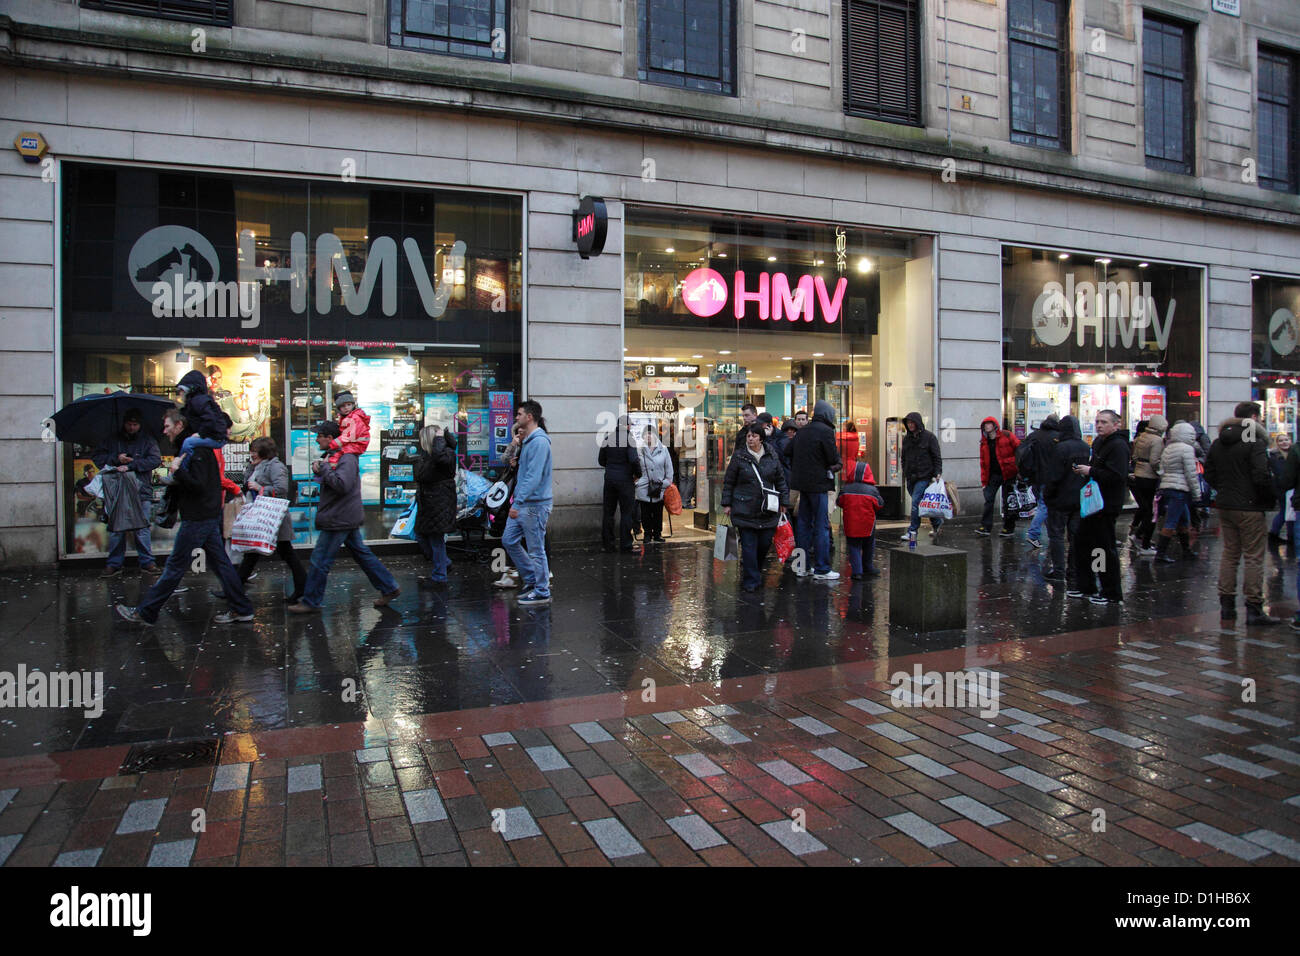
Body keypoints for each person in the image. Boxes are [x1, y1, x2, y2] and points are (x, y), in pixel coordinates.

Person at [115, 407, 254, 626]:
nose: (165, 430)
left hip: (198, 516)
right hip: (205, 515)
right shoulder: (195, 447)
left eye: (168, 425)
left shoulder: (195, 450)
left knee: (175, 566)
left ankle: (146, 612)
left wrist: (178, 471)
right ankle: (243, 608)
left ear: (180, 425)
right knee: (221, 565)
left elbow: (198, 485)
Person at [288, 421, 401, 614]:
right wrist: (321, 469)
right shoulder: (335, 455)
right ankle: (389, 587)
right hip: (342, 514)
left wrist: (323, 469)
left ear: (330, 438)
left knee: (320, 560)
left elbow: (342, 485)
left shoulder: (346, 457)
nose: (316, 439)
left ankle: (311, 601)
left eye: (319, 436)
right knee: (362, 555)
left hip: (338, 516)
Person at [1205, 403, 1279, 625]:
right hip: (1250, 507)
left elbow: (1208, 472)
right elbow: (1261, 476)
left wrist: (1225, 490)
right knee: (1254, 556)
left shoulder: (1219, 442)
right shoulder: (1254, 442)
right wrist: (1267, 497)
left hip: (1226, 505)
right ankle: (1254, 607)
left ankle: (1227, 605)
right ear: (1254, 417)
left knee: (1230, 554)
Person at [211, 436, 307, 603]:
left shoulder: (275, 466)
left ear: (263, 452)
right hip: (260, 519)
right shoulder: (255, 466)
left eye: (254, 451)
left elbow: (283, 489)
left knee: (285, 553)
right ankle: (233, 589)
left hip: (273, 519)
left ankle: (302, 586)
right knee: (253, 555)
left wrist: (261, 488)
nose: (252, 454)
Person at [1069, 409, 1129, 605]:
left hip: (1106, 505)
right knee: (1083, 543)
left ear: (1116, 424)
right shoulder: (1099, 443)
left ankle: (1109, 591)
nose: (1099, 425)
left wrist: (1091, 470)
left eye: (1104, 422)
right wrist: (1085, 471)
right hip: (1093, 503)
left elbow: (1117, 476)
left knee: (1102, 548)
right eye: (1097, 422)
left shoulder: (1118, 446)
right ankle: (1086, 586)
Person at [92, 408, 162, 576]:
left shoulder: (147, 440)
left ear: (140, 424)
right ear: (124, 423)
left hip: (140, 489)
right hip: (118, 489)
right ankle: (116, 563)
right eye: (129, 424)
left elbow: (155, 460)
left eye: (135, 424)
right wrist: (116, 459)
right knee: (117, 527)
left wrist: (131, 464)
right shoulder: (112, 440)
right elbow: (98, 458)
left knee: (141, 527)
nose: (132, 428)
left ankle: (146, 562)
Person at [722, 424, 789, 592]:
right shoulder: (739, 457)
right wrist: (727, 503)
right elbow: (729, 481)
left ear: (761, 438)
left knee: (764, 543)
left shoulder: (771, 455)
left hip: (768, 508)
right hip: (744, 507)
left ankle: (755, 572)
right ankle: (751, 580)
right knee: (749, 545)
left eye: (754, 436)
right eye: (748, 436)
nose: (750, 439)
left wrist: (784, 502)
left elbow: (780, 480)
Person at [503, 400, 553, 606]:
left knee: (536, 549)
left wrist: (517, 503)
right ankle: (533, 581)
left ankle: (541, 590)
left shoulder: (540, 442)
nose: (516, 417)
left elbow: (533, 477)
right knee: (509, 540)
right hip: (525, 503)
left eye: (519, 414)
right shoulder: (529, 441)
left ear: (529, 417)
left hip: (534, 505)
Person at [789, 399, 842, 580]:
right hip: (819, 485)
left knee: (803, 526)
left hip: (802, 485)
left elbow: (788, 451)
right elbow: (833, 458)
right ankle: (822, 568)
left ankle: (802, 567)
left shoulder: (802, 432)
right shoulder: (826, 432)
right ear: (827, 415)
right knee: (821, 527)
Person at [1042, 415, 1089, 584]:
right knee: (1075, 536)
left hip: (1060, 499)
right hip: (1079, 498)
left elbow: (1054, 476)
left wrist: (1048, 496)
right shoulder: (1085, 447)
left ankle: (1059, 570)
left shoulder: (1060, 448)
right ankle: (1073, 570)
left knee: (1056, 535)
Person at [413, 424, 457, 588]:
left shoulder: (444, 455)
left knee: (435, 538)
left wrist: (440, 438)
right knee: (423, 536)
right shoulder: (431, 455)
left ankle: (440, 575)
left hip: (438, 502)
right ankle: (444, 564)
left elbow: (434, 464)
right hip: (431, 502)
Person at [1153, 422, 1200, 564]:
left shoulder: (1168, 448)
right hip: (1179, 489)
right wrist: (1197, 493)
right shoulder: (1187, 449)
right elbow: (1191, 473)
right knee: (1172, 521)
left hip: (1167, 487)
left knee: (1183, 519)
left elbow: (1161, 469)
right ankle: (1160, 554)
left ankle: (1186, 551)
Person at [173, 369, 231, 470]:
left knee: (188, 442)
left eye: (181, 391)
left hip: (216, 437)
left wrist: (201, 434)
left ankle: (181, 469)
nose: (180, 394)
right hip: (217, 436)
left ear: (188, 390)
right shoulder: (198, 401)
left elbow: (210, 419)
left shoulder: (198, 401)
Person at [598, 416, 641, 552]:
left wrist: (611, 468)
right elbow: (634, 460)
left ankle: (608, 545)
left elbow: (601, 460)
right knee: (626, 513)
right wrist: (638, 474)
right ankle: (626, 545)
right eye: (630, 425)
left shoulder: (607, 438)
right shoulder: (629, 439)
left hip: (610, 479)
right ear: (626, 426)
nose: (631, 428)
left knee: (608, 513)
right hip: (625, 480)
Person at [1017, 414, 1059, 550]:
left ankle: (1051, 533)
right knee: (1045, 506)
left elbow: (1021, 453)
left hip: (1035, 477)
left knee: (1044, 505)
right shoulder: (1057, 437)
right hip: (1049, 477)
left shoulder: (1035, 435)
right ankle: (1033, 533)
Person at [901, 411, 943, 541]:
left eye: (912, 422)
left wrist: (937, 472)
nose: (910, 425)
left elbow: (936, 457)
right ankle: (937, 523)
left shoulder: (929, 437)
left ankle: (912, 531)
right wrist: (905, 470)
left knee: (915, 503)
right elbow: (903, 457)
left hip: (924, 476)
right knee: (923, 503)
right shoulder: (907, 439)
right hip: (911, 477)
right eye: (908, 423)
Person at [837, 461, 883, 579]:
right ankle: (868, 566)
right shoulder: (872, 490)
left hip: (851, 524)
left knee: (854, 546)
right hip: (868, 524)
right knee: (869, 545)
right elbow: (879, 504)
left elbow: (839, 502)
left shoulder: (846, 488)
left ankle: (857, 571)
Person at [1128, 414, 1167, 554]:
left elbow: (1134, 457)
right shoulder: (1157, 440)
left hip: (1138, 474)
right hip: (1149, 477)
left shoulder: (1141, 437)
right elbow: (1155, 461)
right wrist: (1161, 472)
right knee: (1152, 512)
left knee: (1145, 508)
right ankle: (1143, 542)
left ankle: (1138, 535)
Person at [977, 415, 1021, 537]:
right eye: (985, 425)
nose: (987, 426)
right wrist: (984, 482)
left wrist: (1016, 466)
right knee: (988, 499)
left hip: (1008, 472)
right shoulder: (984, 443)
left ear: (995, 425)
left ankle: (1008, 527)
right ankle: (985, 526)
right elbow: (983, 463)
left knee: (1008, 501)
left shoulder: (1006, 436)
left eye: (989, 424)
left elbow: (1019, 448)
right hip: (993, 475)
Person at [636, 425, 674, 544]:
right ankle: (647, 534)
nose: (648, 436)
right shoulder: (639, 449)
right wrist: (637, 482)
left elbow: (669, 467)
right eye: (646, 434)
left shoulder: (663, 449)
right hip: (644, 486)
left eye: (650, 433)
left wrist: (666, 482)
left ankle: (657, 533)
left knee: (658, 511)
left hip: (659, 486)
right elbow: (634, 466)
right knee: (645, 512)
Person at [1268, 433, 1293, 544]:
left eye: (1286, 440)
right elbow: (1281, 473)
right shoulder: (1275, 456)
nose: (1284, 442)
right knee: (1285, 512)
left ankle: (1283, 534)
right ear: (1277, 443)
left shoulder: (1293, 453)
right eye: (1281, 440)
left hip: (1290, 488)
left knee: (1288, 512)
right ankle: (1274, 534)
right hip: (1282, 488)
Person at [330, 390, 371, 456]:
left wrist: (332, 444)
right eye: (343, 406)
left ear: (353, 405)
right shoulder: (346, 418)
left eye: (348, 405)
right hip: (354, 444)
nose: (346, 407)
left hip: (357, 445)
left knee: (335, 456)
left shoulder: (354, 418)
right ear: (339, 408)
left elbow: (349, 435)